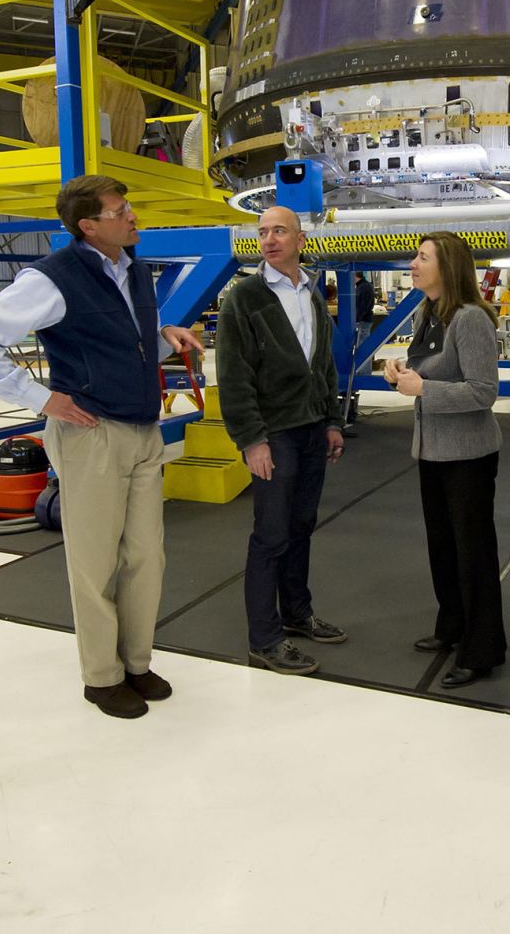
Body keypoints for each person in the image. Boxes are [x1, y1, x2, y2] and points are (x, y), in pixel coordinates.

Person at [0, 174, 202, 720]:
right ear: (88, 225)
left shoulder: (132, 268)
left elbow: (124, 326)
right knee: (93, 564)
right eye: (120, 210)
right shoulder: (51, 279)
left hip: (141, 430)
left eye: (129, 205)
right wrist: (41, 399)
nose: (133, 215)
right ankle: (101, 676)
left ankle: (136, 662)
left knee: (146, 557)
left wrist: (164, 333)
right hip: (91, 433)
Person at [215, 206, 348, 675]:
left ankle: (296, 614)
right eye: (263, 232)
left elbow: (324, 365)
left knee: (301, 527)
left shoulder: (310, 294)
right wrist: (252, 440)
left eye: (279, 231)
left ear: (300, 238)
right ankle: (264, 640)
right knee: (270, 535)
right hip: (274, 434)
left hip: (312, 429)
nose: (269, 239)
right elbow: (233, 377)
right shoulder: (245, 299)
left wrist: (332, 420)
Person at [385, 232, 506, 688]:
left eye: (421, 257)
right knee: (443, 547)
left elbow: (484, 392)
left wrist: (423, 390)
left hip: (467, 457)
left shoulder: (470, 319)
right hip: (432, 451)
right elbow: (428, 367)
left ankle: (482, 650)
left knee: (472, 553)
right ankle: (452, 627)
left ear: (447, 267)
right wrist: (398, 370)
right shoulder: (429, 313)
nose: (412, 264)